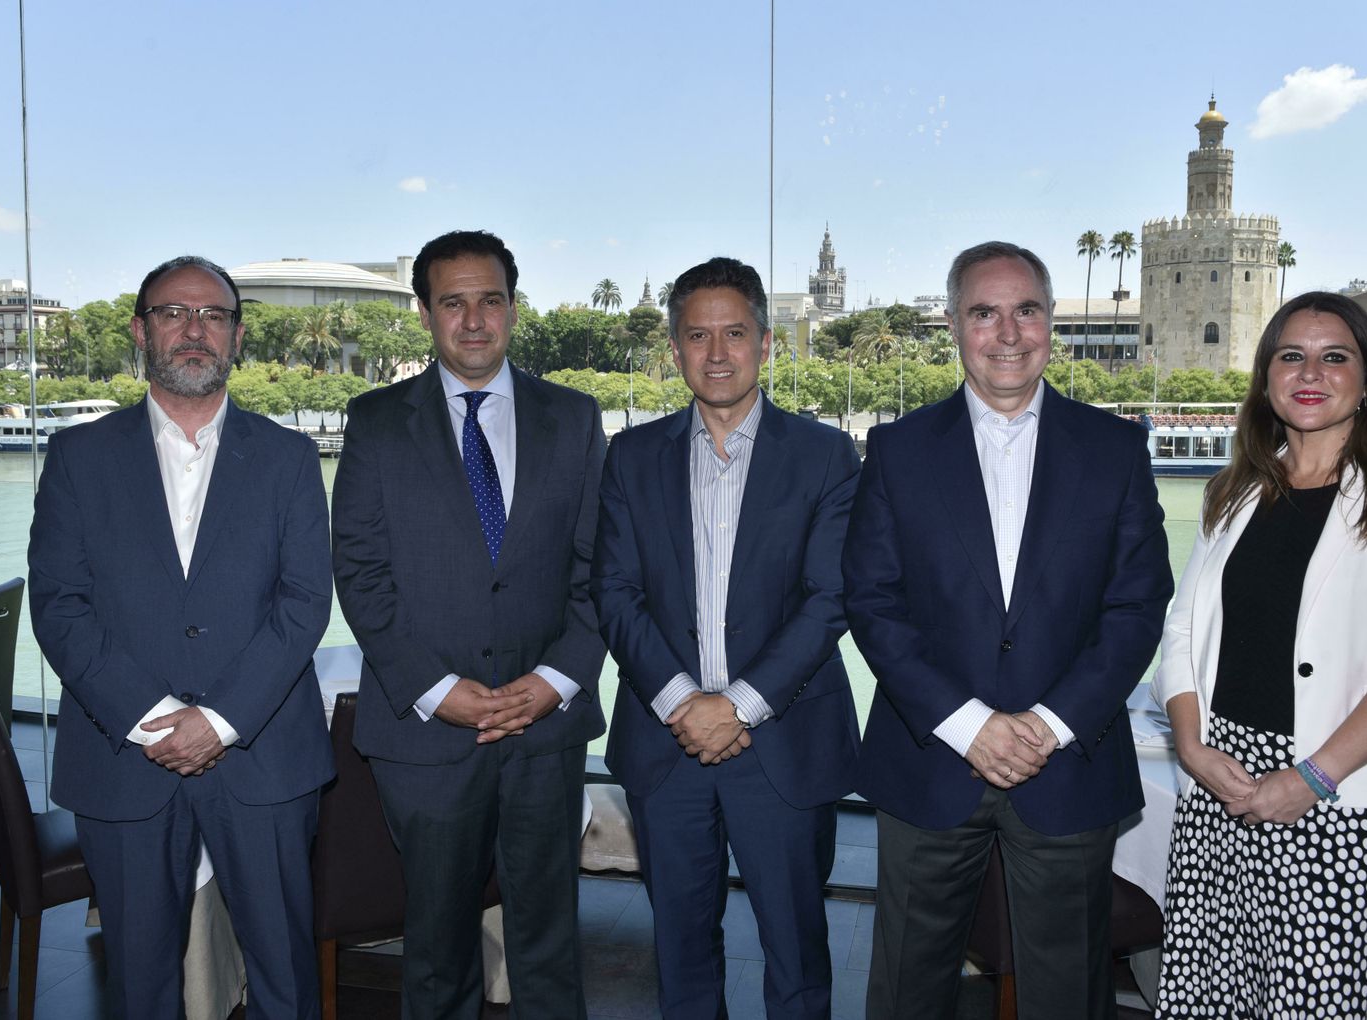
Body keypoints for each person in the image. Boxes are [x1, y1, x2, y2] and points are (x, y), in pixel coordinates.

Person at [844, 240, 1173, 1019]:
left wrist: (1046, 727)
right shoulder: (896, 450)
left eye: (1026, 309)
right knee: (907, 985)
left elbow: (1137, 606)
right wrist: (969, 727)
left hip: (1068, 764)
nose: (1008, 332)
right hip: (930, 761)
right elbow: (872, 602)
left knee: (1069, 989)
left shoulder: (1115, 448)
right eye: (984, 313)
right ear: (955, 326)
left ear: (1050, 322)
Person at [1152, 291, 1367, 1018]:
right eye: (1290, 355)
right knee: (1212, 993)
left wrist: (1311, 779)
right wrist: (1192, 746)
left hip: (1343, 798)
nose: (1311, 372)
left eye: (1336, 357)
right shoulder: (1231, 491)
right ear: (1266, 376)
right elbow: (1183, 631)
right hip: (1220, 789)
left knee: (1320, 1000)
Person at [29, 256, 334, 1018]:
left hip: (262, 758)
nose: (194, 330)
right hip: (125, 761)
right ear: (140, 331)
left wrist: (221, 721)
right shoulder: (76, 457)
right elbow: (60, 606)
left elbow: (303, 603)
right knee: (138, 983)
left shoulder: (290, 457)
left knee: (285, 980)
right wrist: (150, 718)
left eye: (214, 317)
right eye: (173, 313)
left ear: (236, 338)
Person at [331, 230, 606, 1020]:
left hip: (543, 733)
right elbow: (362, 572)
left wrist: (553, 682)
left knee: (549, 944)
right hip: (424, 736)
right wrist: (434, 688)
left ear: (514, 310)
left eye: (490, 300)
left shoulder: (574, 418)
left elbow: (601, 572)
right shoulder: (376, 422)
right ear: (425, 314)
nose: (474, 319)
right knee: (437, 947)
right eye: (454, 302)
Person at [594, 257, 862, 1019]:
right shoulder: (630, 457)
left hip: (782, 747)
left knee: (798, 955)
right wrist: (686, 704)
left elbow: (830, 596)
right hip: (665, 750)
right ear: (674, 349)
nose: (717, 353)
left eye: (735, 333)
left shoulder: (825, 456)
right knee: (680, 954)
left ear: (767, 344)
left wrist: (737, 707)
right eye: (697, 335)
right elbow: (613, 593)